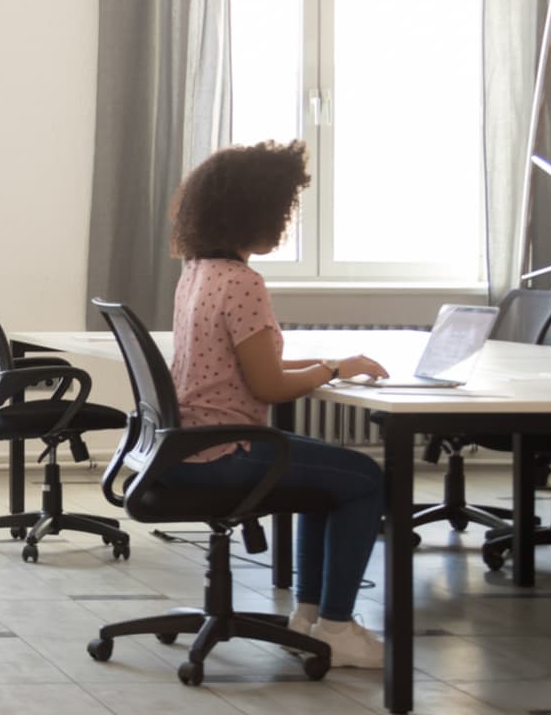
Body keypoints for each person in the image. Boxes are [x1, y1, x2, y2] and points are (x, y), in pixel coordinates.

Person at [158, 139, 389, 669]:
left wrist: (325, 365)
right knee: (363, 477)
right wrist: (332, 370)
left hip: (188, 447)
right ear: (255, 212)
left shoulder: (197, 272)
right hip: (226, 452)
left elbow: (244, 370)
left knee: (325, 476)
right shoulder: (243, 282)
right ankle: (334, 623)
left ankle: (308, 619)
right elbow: (266, 388)